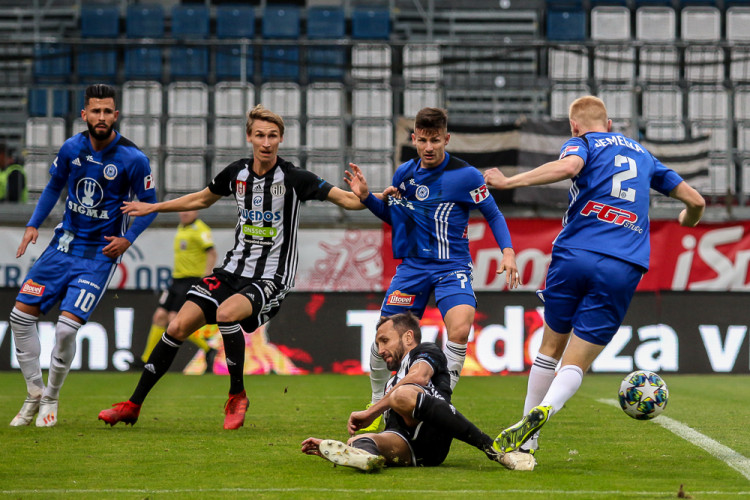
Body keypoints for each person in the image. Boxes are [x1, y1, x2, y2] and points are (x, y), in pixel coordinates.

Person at [98, 104, 368, 430]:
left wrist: (371, 196)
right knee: (177, 327)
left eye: (272, 136)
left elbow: (349, 200)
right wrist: (154, 206)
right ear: (249, 137)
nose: (266, 142)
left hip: (271, 276)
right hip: (231, 271)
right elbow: (200, 199)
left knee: (227, 315)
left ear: (281, 139)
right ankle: (133, 404)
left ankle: (237, 395)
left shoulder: (295, 178)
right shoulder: (236, 173)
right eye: (259, 135)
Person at [484, 96, 706, 466]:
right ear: (610, 121)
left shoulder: (583, 143)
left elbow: (569, 166)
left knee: (549, 348)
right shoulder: (643, 155)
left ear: (574, 126)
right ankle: (545, 412)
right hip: (623, 263)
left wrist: (510, 181)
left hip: (575, 254)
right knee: (575, 363)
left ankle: (528, 438)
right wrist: (688, 218)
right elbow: (695, 200)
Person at [344, 107, 520, 432]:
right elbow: (395, 217)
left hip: (452, 266)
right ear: (414, 138)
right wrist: (368, 198)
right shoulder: (403, 175)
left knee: (461, 326)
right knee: (384, 337)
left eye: (435, 140)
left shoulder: (467, 176)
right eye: (422, 140)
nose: (428, 147)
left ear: (446, 139)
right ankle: (375, 402)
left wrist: (507, 252)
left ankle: (443, 397)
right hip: (413, 267)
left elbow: (493, 213)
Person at [9, 83, 158, 427]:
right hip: (62, 246)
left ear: (115, 115)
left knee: (64, 331)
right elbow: (53, 187)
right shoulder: (71, 148)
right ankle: (34, 391)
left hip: (98, 256)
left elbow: (150, 206)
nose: (101, 117)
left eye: (108, 111)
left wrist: (128, 239)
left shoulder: (133, 158)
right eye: (96, 111)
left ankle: (51, 397)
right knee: (19, 317)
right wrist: (33, 225)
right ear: (85, 114)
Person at [300, 312, 535, 471]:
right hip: (410, 447)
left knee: (401, 395)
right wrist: (341, 448)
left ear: (408, 337)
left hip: (434, 431)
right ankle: (360, 455)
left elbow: (420, 378)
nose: (380, 350)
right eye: (378, 344)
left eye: (385, 341)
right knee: (361, 438)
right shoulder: (391, 384)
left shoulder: (425, 352)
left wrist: (372, 411)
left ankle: (492, 448)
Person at [137, 211, 218, 373]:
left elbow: (212, 253)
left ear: (195, 211)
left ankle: (208, 349)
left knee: (174, 319)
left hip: (191, 280)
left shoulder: (200, 229)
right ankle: (146, 360)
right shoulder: (182, 227)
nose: (183, 213)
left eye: (187, 210)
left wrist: (206, 277)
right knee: (159, 316)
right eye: (181, 210)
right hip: (176, 280)